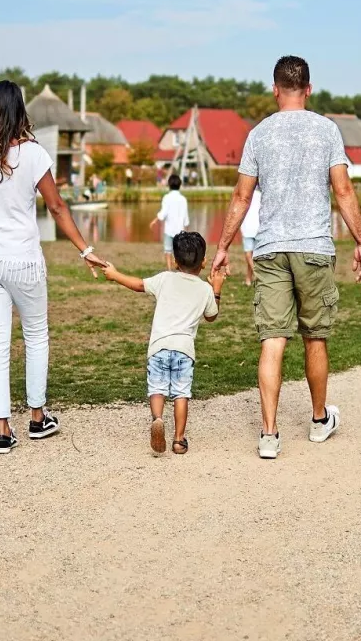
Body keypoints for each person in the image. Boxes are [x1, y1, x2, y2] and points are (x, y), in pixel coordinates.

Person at [212, 56, 361, 460]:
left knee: (273, 339)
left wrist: (223, 246)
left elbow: (242, 197)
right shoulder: (327, 130)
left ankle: (269, 434)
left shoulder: (259, 134)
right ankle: (319, 422)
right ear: (310, 89)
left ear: (275, 88)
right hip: (314, 247)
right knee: (315, 337)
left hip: (270, 249)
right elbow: (344, 191)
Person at [0, 81, 107, 454]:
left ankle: (3, 431)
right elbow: (56, 207)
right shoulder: (34, 155)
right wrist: (84, 248)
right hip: (23, 261)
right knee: (36, 335)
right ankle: (37, 419)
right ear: (20, 110)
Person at [97, 231, 226, 456]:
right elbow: (211, 315)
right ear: (204, 262)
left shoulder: (165, 279)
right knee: (181, 393)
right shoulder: (204, 289)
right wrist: (216, 288)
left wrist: (114, 274)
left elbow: (138, 285)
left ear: (175, 261)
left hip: (158, 347)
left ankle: (157, 420)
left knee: (157, 389)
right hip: (184, 350)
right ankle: (178, 439)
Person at [150, 173, 189, 270]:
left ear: (169, 185)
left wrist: (155, 221)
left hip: (169, 229)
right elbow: (185, 215)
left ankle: (169, 270)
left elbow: (163, 213)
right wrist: (187, 227)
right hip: (180, 229)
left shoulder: (167, 197)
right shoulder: (183, 199)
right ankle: (180, 269)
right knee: (179, 251)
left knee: (168, 251)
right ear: (179, 185)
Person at [238, 186, 262, 286]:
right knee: (253, 255)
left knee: (249, 255)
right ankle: (248, 279)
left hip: (249, 227)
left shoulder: (246, 194)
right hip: (257, 227)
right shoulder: (261, 195)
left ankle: (257, 274)